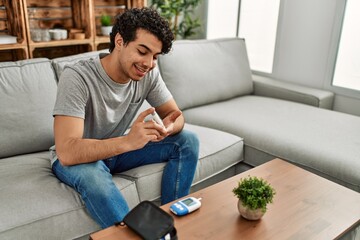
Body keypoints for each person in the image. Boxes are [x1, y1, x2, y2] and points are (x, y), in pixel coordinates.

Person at [49, 7, 199, 229]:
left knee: (187, 140)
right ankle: (145, 234)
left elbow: (175, 115)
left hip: (119, 151)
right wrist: (128, 142)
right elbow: (67, 151)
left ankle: (170, 223)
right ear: (120, 41)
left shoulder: (148, 74)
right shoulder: (77, 77)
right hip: (81, 158)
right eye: (142, 51)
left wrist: (167, 128)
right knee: (94, 179)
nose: (148, 63)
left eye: (155, 56)